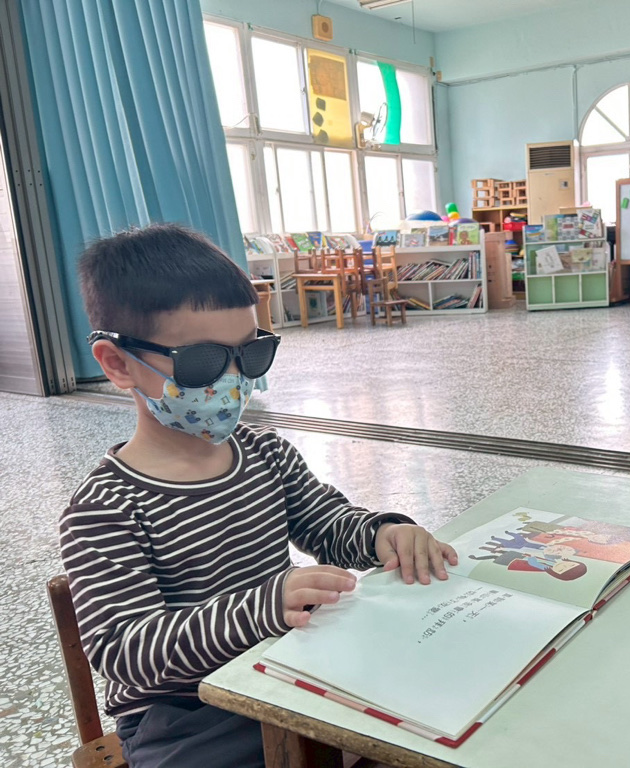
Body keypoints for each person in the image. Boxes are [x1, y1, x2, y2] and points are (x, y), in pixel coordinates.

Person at [60, 224, 458, 768]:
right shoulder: (105, 508)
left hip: (287, 666)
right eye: (204, 361)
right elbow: (127, 650)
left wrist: (384, 533)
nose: (233, 379)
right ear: (117, 363)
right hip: (187, 718)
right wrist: (264, 607)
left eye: (250, 354)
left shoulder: (264, 453)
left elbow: (327, 523)